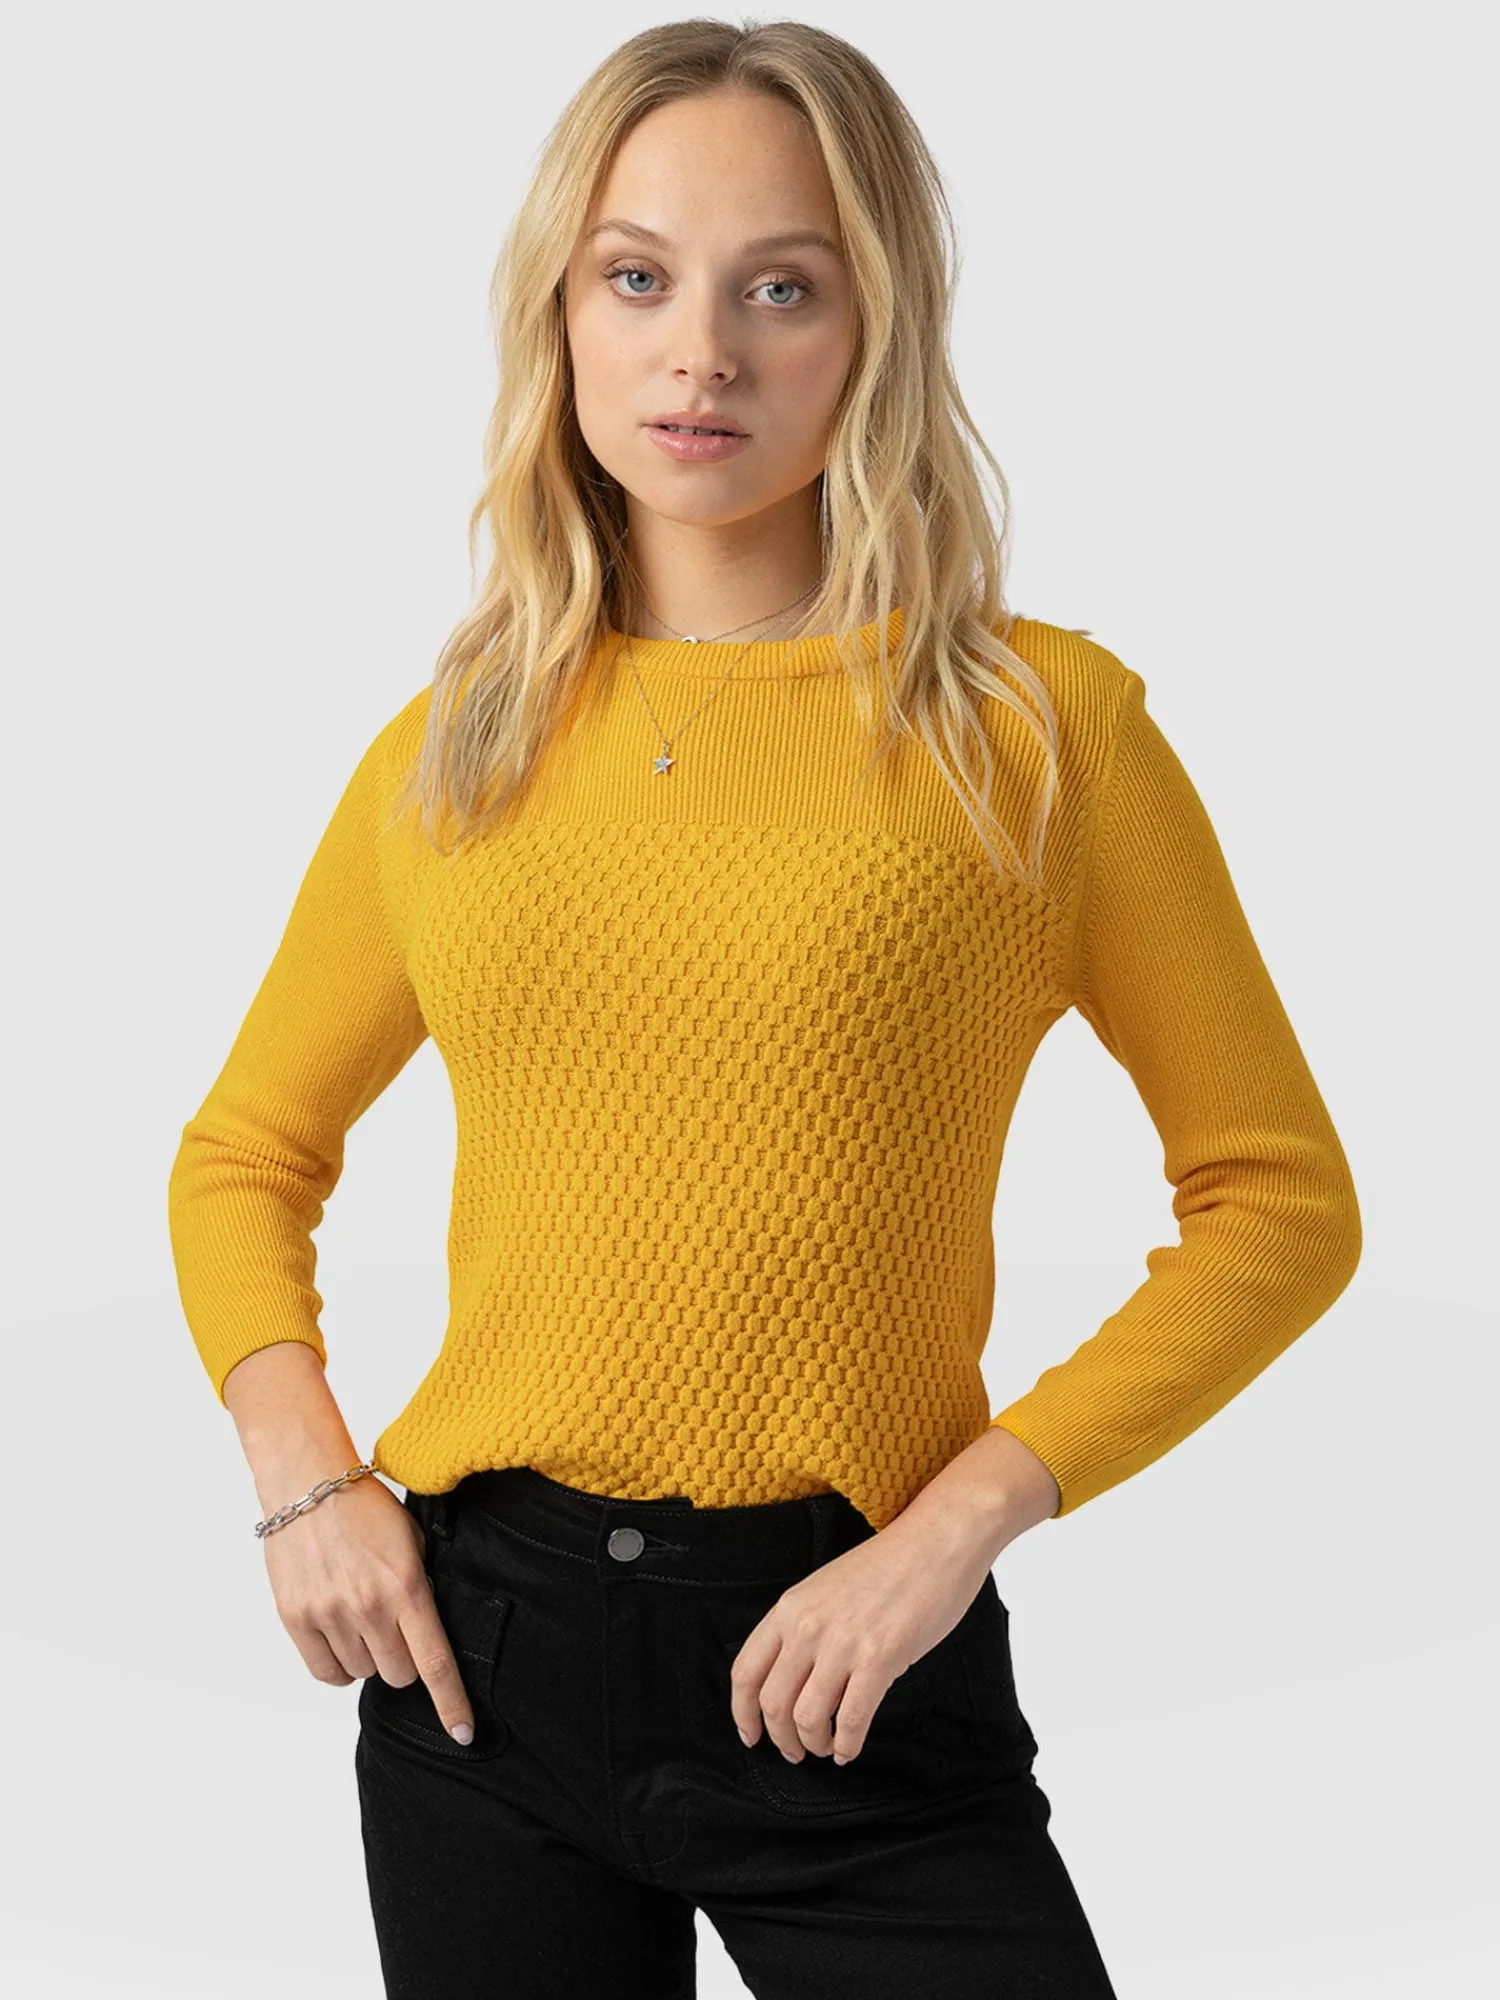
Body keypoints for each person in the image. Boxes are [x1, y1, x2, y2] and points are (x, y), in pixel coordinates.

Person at [166, 18, 1361, 1998]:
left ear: (875, 324)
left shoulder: (1035, 733)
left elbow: (1281, 1202)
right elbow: (243, 1153)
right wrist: (305, 1478)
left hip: (858, 1661)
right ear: (562, 316)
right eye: (637, 279)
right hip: (481, 1677)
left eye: (780, 288)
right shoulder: (457, 748)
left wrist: (951, 1534)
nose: (701, 353)